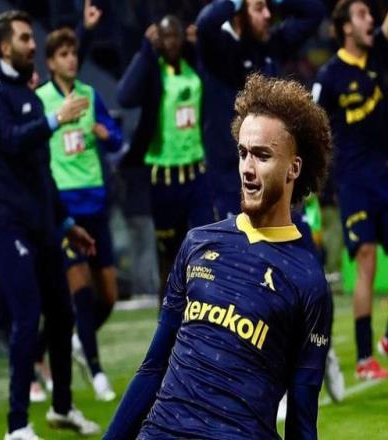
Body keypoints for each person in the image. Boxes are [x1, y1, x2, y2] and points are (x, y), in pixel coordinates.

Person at [104, 73, 333, 440]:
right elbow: (152, 369)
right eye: (243, 153)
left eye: (262, 156)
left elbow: (301, 422)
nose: (247, 169)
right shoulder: (198, 243)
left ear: (294, 167)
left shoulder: (307, 281)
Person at [0, 10, 100, 439]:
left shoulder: (27, 96)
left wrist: (67, 223)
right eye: (25, 39)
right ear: (5, 46)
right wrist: (54, 120)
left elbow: (42, 174)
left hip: (42, 224)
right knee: (27, 317)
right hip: (7, 224)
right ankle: (16, 426)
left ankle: (62, 407)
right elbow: (11, 141)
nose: (33, 45)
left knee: (62, 314)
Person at [312, 0, 388, 380]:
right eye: (362, 15)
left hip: (383, 181)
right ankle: (363, 360)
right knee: (367, 260)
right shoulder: (329, 76)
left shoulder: (376, 58)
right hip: (353, 182)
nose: (370, 19)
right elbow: (312, 125)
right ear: (345, 27)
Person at [36, 26, 123, 402]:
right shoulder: (41, 100)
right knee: (82, 294)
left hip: (96, 204)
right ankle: (97, 370)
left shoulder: (89, 95)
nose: (71, 59)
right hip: (64, 208)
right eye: (63, 54)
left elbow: (116, 137)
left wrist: (108, 135)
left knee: (108, 296)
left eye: (73, 53)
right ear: (51, 62)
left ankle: (68, 341)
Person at [196, 0, 325, 218]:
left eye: (268, 7)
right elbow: (205, 24)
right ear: (239, 16)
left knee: (298, 239)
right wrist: (235, 2)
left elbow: (315, 12)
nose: (267, 15)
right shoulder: (220, 51)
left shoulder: (272, 45)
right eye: (258, 8)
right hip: (231, 180)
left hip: (275, 173)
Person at [117, 15, 215, 300]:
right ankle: (169, 319)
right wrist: (145, 50)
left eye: (175, 35)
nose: (171, 42)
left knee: (206, 249)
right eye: (165, 36)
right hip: (164, 178)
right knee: (170, 260)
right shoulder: (153, 72)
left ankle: (205, 314)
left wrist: (201, 46)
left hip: (196, 174)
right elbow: (124, 97)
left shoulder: (195, 68)